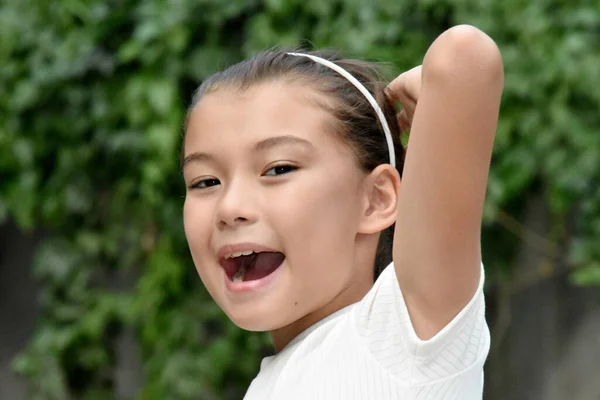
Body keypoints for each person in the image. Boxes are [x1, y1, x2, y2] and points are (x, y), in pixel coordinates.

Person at [182, 24, 503, 399]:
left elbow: (465, 56)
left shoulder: (406, 340)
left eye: (278, 169)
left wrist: (432, 102)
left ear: (377, 199)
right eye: (205, 182)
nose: (230, 207)